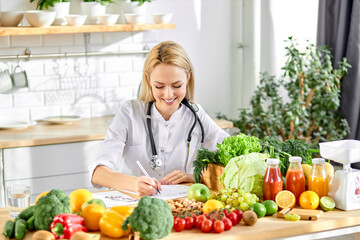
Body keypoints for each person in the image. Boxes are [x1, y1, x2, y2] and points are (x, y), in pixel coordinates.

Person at [88, 41, 229, 196]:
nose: (168, 94)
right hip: (134, 204)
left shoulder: (197, 115)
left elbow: (233, 162)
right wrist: (134, 184)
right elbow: (98, 173)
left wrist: (195, 176)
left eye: (176, 86)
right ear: (149, 80)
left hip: (180, 207)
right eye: (159, 86)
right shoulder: (130, 112)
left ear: (188, 78)